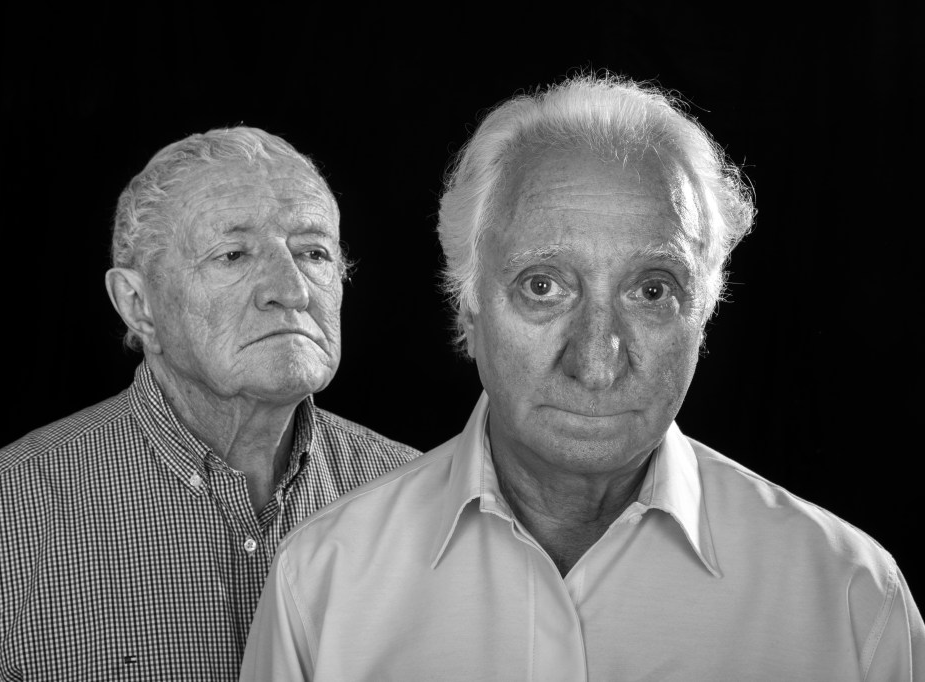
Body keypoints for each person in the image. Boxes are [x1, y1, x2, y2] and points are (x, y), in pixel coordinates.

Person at [240, 75, 924, 681]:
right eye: (543, 286)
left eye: (652, 291)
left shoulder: (852, 601)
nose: (597, 361)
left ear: (705, 313)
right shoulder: (321, 584)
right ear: (469, 306)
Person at [0, 126, 420, 680]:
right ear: (137, 303)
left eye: (314, 252)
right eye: (233, 255)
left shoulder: (418, 499)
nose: (292, 290)